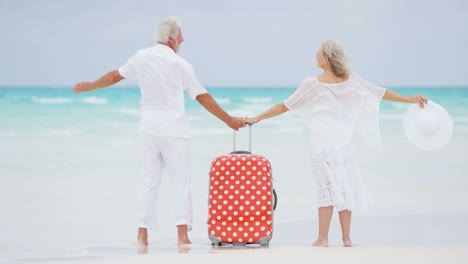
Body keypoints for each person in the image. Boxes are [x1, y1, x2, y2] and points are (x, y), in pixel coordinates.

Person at [73, 16, 246, 246]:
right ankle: (182, 236)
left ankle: (142, 234)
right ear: (172, 38)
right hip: (174, 130)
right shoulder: (180, 64)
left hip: (149, 129)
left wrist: (91, 85)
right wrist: (228, 119)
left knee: (148, 181)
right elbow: (201, 96)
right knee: (180, 182)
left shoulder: (141, 57)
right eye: (181, 35)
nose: (183, 39)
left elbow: (115, 75)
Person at [245, 40, 428, 247]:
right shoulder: (353, 81)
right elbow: (380, 93)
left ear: (327, 58)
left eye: (318, 52)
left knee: (326, 190)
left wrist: (256, 118)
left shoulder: (312, 84)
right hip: (344, 145)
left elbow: (285, 106)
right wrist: (410, 99)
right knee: (345, 187)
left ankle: (322, 239)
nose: (315, 55)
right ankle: (346, 239)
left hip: (322, 146)